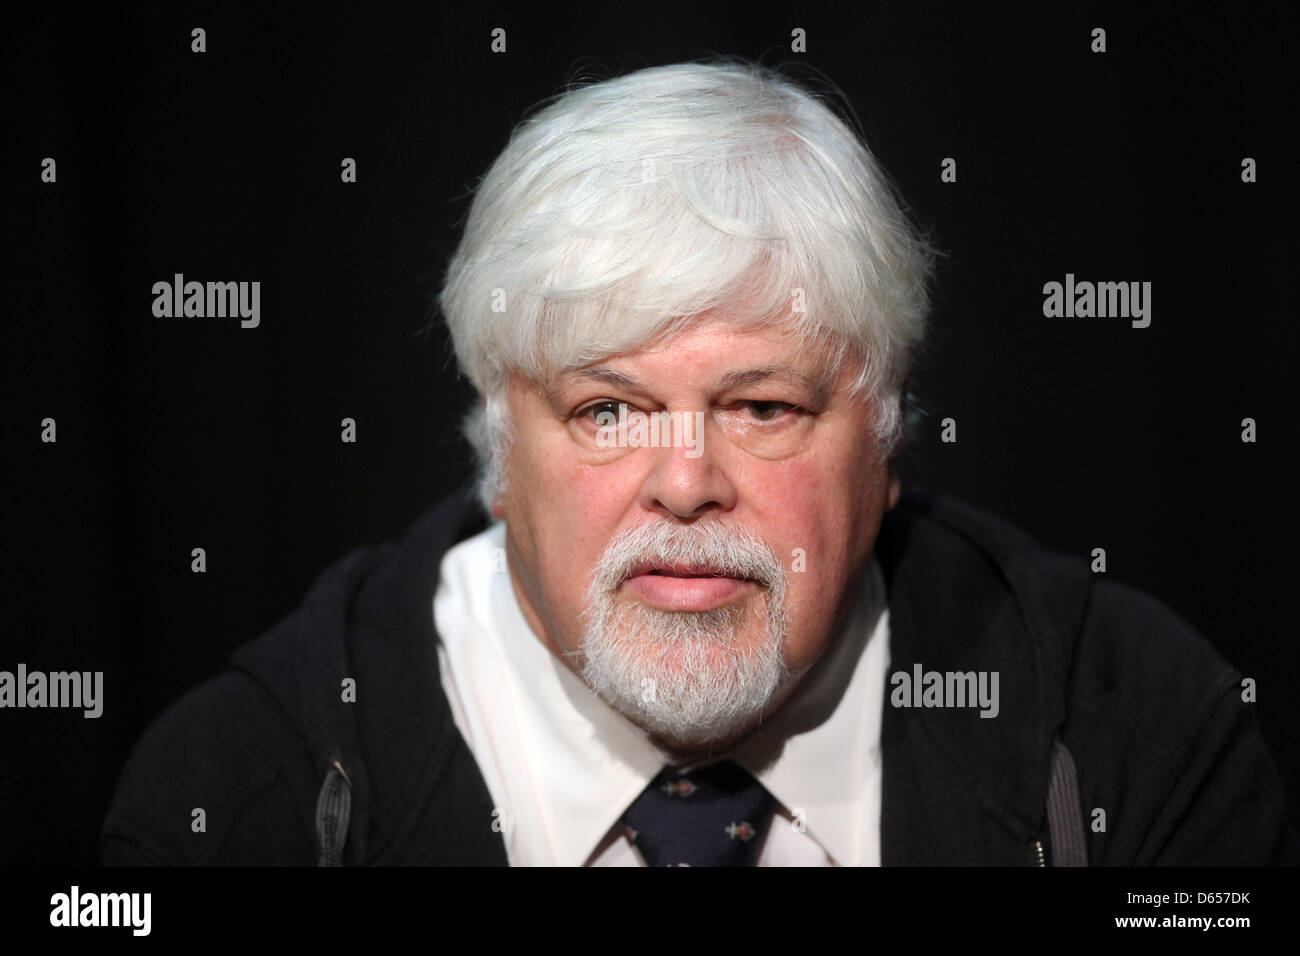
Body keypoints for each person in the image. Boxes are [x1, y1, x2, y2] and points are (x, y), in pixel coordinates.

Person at [101, 59, 1293, 866]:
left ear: (881, 444)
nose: (683, 481)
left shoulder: (1137, 735)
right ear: (495, 450)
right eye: (608, 409)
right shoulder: (245, 791)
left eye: (762, 405)